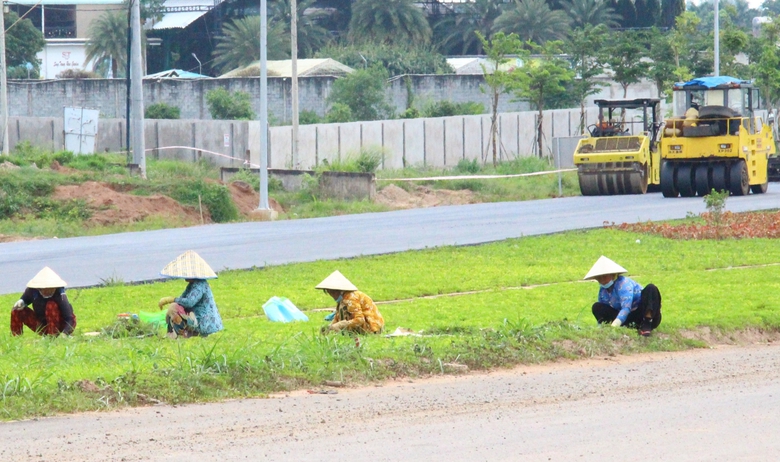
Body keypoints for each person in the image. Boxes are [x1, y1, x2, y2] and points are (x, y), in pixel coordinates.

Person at [584, 256, 662, 337]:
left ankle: (647, 324)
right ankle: (606, 329)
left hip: (640, 314)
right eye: (599, 278)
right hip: (627, 319)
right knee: (597, 307)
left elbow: (626, 307)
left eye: (604, 276)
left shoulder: (623, 284)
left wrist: (616, 323)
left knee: (651, 288)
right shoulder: (603, 291)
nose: (602, 280)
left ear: (613, 275)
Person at [157, 250, 223, 339]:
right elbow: (182, 299)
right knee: (173, 308)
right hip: (196, 318)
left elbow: (189, 302)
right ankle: (173, 335)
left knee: (174, 308)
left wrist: (171, 299)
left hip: (203, 321)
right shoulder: (192, 285)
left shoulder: (200, 285)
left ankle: (178, 335)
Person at [11, 267, 76, 336]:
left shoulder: (60, 294)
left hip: (60, 326)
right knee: (17, 310)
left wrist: (65, 333)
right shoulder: (32, 291)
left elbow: (70, 319)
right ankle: (17, 337)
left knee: (51, 305)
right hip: (43, 324)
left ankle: (53, 336)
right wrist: (21, 302)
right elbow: (25, 300)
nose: (48, 291)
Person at [316, 270, 384, 334]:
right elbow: (337, 317)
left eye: (332, 292)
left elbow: (360, 320)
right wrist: (330, 327)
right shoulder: (343, 299)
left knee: (343, 310)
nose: (331, 295)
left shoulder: (350, 298)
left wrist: (341, 325)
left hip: (372, 327)